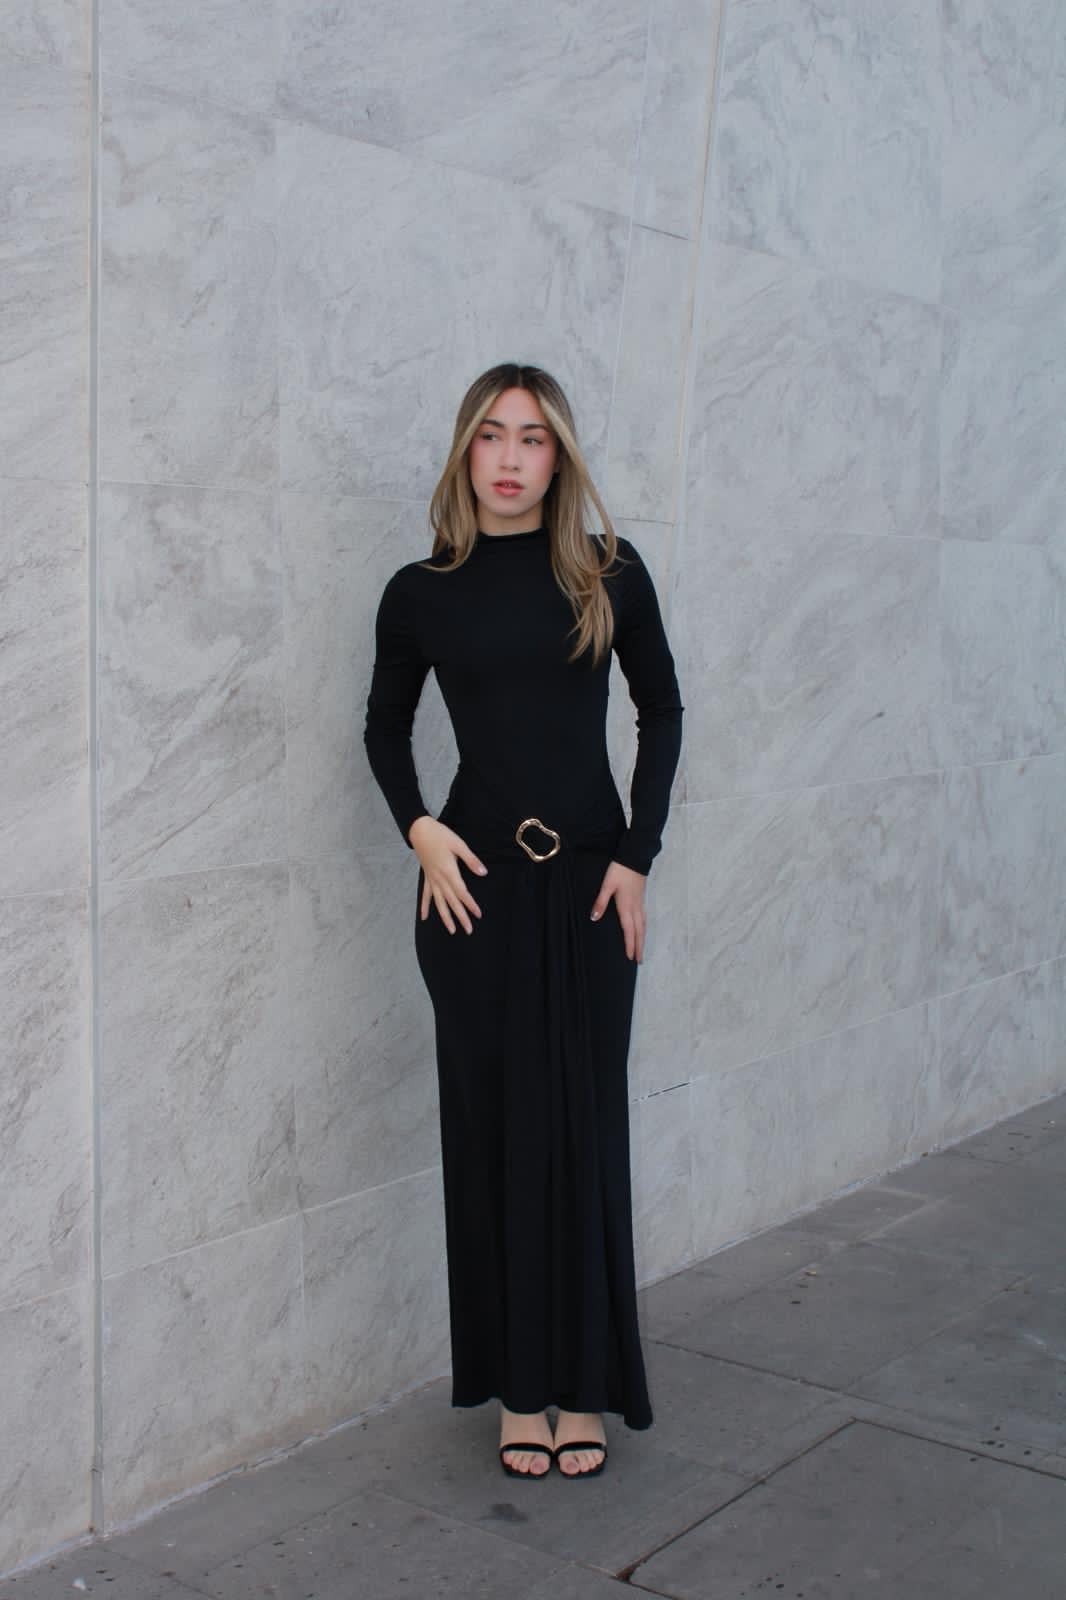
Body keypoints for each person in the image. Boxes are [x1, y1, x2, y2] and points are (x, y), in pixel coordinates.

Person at [363, 362, 684, 1479]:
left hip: (591, 887)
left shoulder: (608, 570)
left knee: (584, 1128)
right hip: (475, 895)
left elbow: (662, 708)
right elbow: (383, 727)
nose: (509, 458)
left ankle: (583, 1387)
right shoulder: (422, 591)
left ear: (560, 456)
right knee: (493, 1135)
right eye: (492, 435)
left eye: (533, 438)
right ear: (466, 450)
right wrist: (419, 830)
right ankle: (518, 1391)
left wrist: (636, 857)